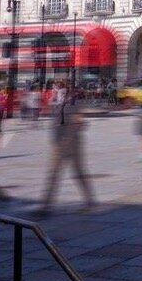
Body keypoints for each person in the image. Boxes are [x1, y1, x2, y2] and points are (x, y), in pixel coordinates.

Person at [34, 81, 96, 217]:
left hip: (71, 144)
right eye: (55, 87)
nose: (55, 89)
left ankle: (47, 206)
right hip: (60, 143)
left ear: (65, 89)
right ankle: (46, 205)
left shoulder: (73, 102)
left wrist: (65, 141)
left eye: (58, 87)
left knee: (75, 173)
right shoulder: (57, 101)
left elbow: (78, 122)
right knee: (56, 174)